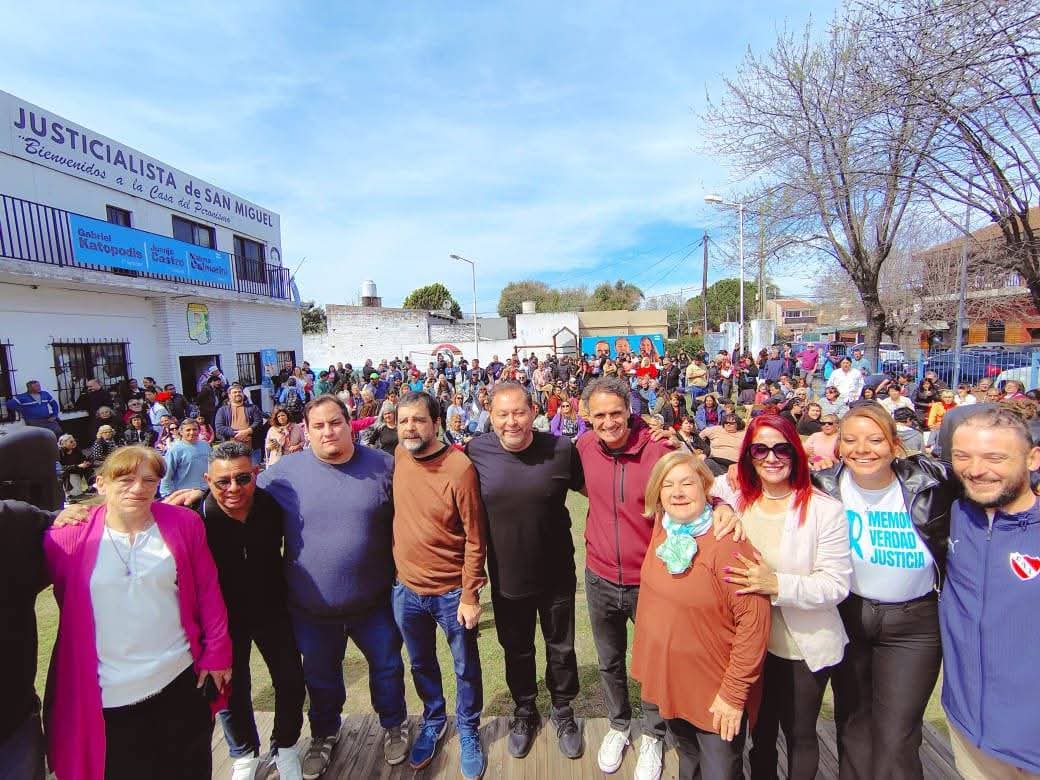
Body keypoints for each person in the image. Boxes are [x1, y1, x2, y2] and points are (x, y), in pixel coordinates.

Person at [42, 446, 232, 780]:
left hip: (180, 682)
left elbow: (208, 591)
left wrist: (217, 653)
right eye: (126, 479)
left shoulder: (183, 523)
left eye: (149, 480)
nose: (138, 488)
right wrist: (51, 517)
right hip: (110, 696)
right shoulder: (66, 538)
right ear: (101, 483)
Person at [257, 397, 409, 776]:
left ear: (349, 423)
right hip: (311, 607)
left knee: (388, 668)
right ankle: (325, 733)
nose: (328, 432)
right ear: (306, 431)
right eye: (319, 426)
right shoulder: (283, 474)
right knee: (320, 676)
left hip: (374, 602)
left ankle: (394, 724)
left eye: (335, 422)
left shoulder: (384, 465)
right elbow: (237, 497)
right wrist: (198, 500)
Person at [811, 404, 959, 780]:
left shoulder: (930, 481)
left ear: (895, 444)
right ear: (838, 446)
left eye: (875, 439)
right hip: (849, 616)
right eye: (851, 440)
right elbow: (754, 487)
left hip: (914, 624)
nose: (863, 449)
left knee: (898, 735)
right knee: (854, 724)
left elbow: (989, 478)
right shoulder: (822, 486)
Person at [713, 415, 851, 780]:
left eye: (781, 449)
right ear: (748, 456)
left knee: (799, 734)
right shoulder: (740, 502)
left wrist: (776, 584)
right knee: (760, 733)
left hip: (800, 647)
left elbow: (836, 585)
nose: (771, 458)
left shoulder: (824, 510)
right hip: (751, 646)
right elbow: (695, 484)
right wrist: (720, 504)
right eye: (760, 449)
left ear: (796, 453)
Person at [632, 451, 771, 779]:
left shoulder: (728, 542)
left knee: (719, 771)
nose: (677, 492)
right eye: (667, 485)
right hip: (672, 684)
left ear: (705, 487)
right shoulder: (665, 528)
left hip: (715, 693)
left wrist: (733, 694)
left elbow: (754, 624)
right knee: (688, 762)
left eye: (687, 483)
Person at [465, 382, 585, 761]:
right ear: (490, 415)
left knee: (561, 647)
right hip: (507, 576)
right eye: (502, 414)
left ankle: (563, 710)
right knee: (517, 649)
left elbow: (599, 487)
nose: (511, 421)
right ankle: (525, 710)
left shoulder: (561, 450)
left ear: (533, 411)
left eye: (519, 412)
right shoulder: (475, 451)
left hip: (557, 574)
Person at [182, 442, 307, 780]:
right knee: (231, 687)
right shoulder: (195, 516)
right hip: (222, 618)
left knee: (291, 679)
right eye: (223, 481)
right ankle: (244, 753)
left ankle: (285, 746)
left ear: (255, 473)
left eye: (242, 478)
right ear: (208, 480)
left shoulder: (272, 505)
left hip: (272, 607)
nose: (234, 488)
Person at [576, 376, 677, 778]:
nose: (608, 422)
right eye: (599, 415)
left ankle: (653, 733)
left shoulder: (658, 448)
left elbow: (696, 486)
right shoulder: (584, 447)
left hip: (649, 580)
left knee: (652, 662)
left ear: (630, 410)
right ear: (588, 417)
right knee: (609, 660)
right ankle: (619, 725)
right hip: (599, 576)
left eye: (616, 413)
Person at [389, 392, 488, 778]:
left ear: (436, 423)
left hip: (451, 593)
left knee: (465, 667)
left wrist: (470, 594)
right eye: (403, 421)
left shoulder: (459, 468)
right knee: (420, 663)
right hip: (406, 591)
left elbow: (476, 537)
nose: (410, 428)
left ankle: (468, 728)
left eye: (418, 420)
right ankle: (434, 720)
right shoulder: (399, 456)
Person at [941, 407, 1040, 778]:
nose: (976, 469)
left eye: (995, 458)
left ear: (1033, 458)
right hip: (970, 730)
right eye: (962, 456)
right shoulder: (953, 515)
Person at [159, 418, 211, 498]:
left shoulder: (205, 445)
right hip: (185, 494)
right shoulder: (175, 450)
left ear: (199, 431)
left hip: (206, 491)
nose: (192, 432)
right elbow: (167, 475)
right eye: (188, 430)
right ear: (181, 432)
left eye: (194, 429)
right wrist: (167, 495)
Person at [215, 386, 264, 463]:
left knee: (254, 470)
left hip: (252, 450)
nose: (238, 394)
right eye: (235, 392)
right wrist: (238, 434)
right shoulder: (222, 410)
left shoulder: (253, 408)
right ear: (229, 395)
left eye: (239, 392)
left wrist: (248, 431)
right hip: (231, 451)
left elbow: (259, 421)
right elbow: (219, 427)